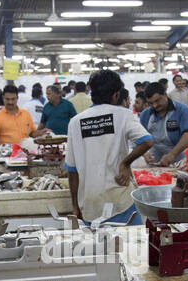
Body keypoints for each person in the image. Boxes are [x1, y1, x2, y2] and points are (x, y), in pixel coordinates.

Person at [64, 69, 153, 225]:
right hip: (120, 202)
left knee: (98, 248)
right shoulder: (123, 115)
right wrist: (125, 163)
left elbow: (72, 170)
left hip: (91, 206)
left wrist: (74, 206)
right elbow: (146, 141)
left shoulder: (76, 122)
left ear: (91, 92)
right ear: (115, 94)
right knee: (134, 247)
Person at [138, 81, 188, 166]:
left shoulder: (182, 110)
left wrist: (172, 154)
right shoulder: (145, 114)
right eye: (151, 103)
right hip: (154, 158)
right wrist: (144, 152)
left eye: (157, 101)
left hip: (177, 156)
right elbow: (139, 136)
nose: (155, 105)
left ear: (165, 94)